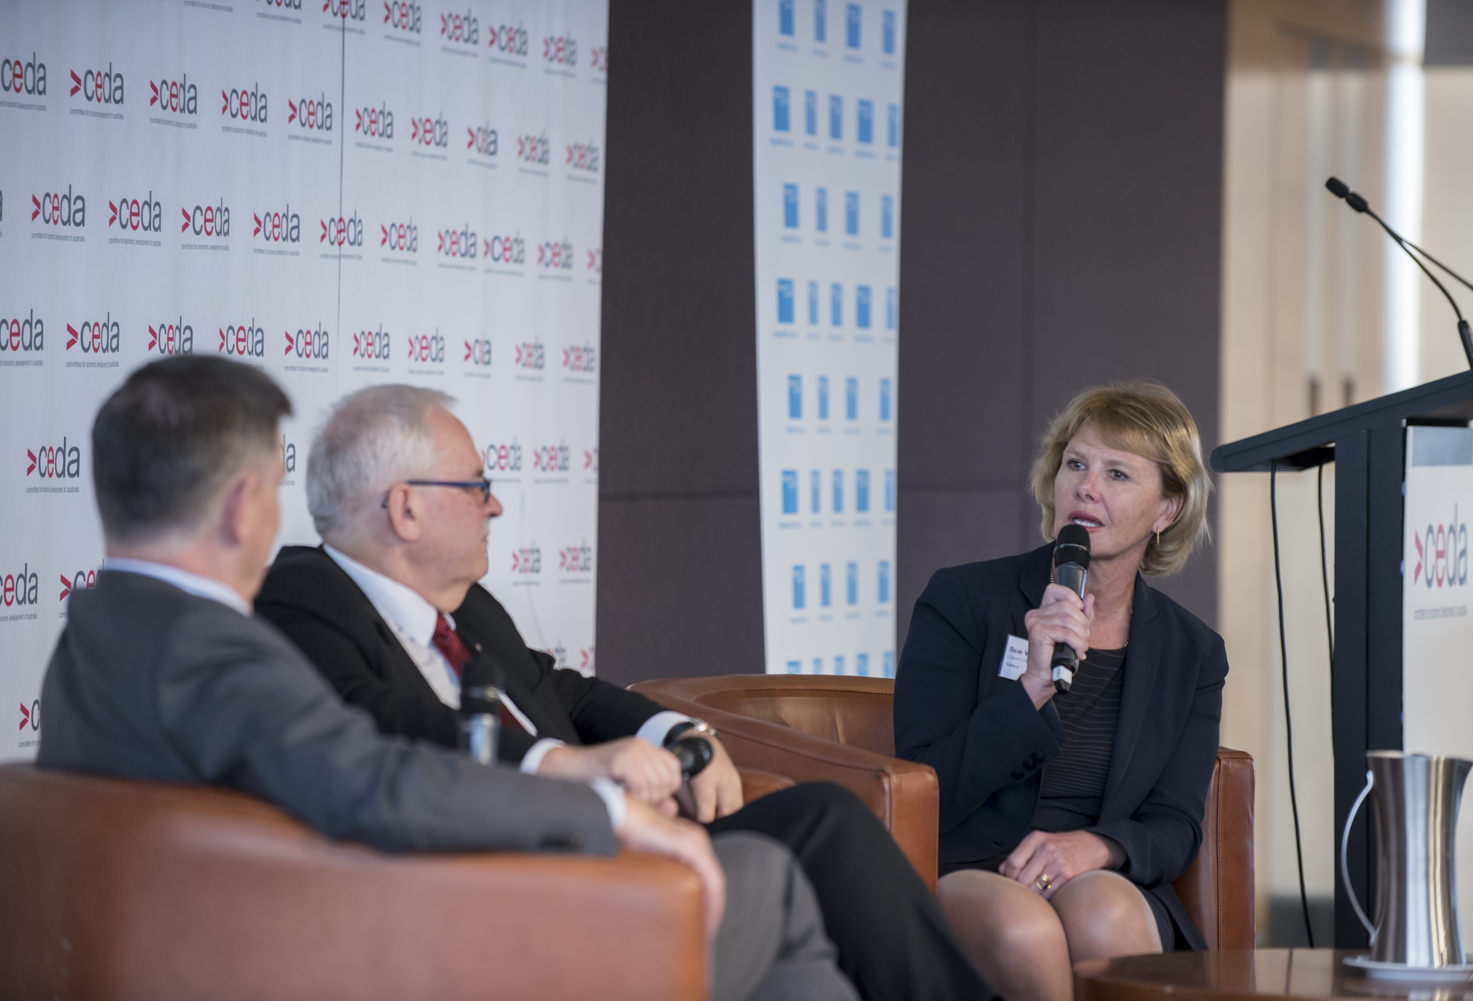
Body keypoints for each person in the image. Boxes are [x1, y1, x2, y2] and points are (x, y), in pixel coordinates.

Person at [37, 356, 859, 1001]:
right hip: (393, 959)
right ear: (241, 504)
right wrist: (606, 810)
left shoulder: (96, 638)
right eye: (279, 492)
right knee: (768, 883)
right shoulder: (212, 652)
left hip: (328, 937)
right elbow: (377, 783)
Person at [254, 383, 994, 1001]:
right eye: (477, 486)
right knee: (792, 872)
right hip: (515, 870)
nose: (495, 507)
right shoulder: (304, 596)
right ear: (405, 508)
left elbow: (564, 692)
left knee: (823, 820)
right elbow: (376, 721)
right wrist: (565, 767)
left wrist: (676, 733)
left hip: (617, 835)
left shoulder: (469, 606)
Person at [893, 381, 1226, 1001]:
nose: (1086, 487)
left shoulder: (1194, 652)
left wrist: (1097, 847)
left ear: (1167, 510)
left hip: (1099, 871)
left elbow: (1175, 824)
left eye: (1117, 473)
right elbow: (923, 784)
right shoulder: (964, 600)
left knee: (1107, 914)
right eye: (1076, 464)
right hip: (973, 864)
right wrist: (1031, 690)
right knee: (1024, 928)